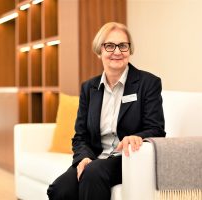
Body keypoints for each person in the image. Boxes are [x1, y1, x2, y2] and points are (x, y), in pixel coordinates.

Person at [47, 22, 165, 200]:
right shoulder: (89, 88)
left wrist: (138, 136)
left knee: (93, 173)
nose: (117, 52)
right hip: (94, 158)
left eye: (123, 46)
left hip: (127, 159)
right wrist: (83, 158)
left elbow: (157, 130)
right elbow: (80, 136)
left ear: (129, 50)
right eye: (110, 46)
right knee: (59, 189)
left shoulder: (148, 83)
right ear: (99, 50)